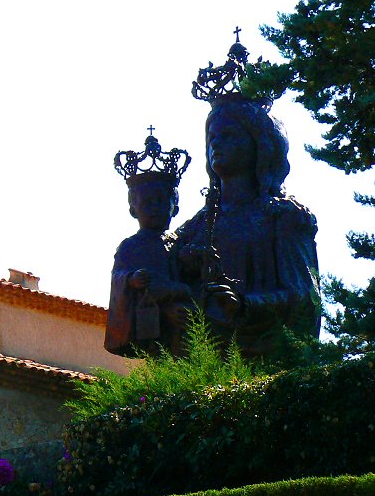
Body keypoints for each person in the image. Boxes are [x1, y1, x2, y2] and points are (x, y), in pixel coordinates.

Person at [172, 94, 321, 357]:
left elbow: (304, 297)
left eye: (229, 135)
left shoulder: (282, 216)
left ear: (259, 144)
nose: (216, 143)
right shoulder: (194, 228)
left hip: (266, 355)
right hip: (205, 356)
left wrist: (244, 305)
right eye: (212, 138)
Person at [105, 134, 194, 356]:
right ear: (133, 209)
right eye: (147, 203)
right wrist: (131, 280)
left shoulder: (182, 244)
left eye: (161, 201)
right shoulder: (129, 246)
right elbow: (118, 278)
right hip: (152, 324)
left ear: (175, 206)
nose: (155, 208)